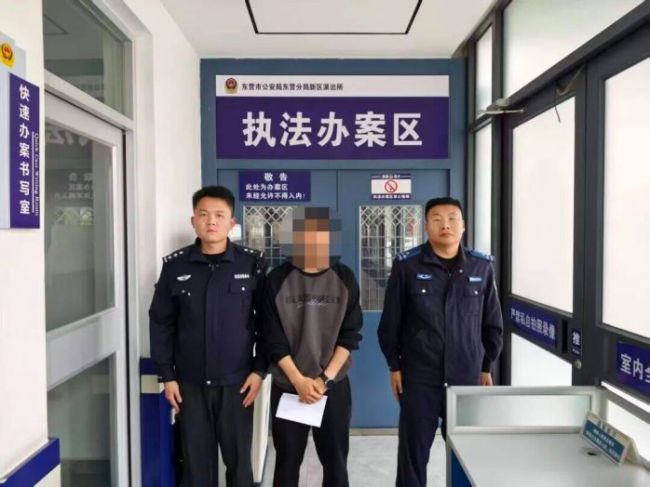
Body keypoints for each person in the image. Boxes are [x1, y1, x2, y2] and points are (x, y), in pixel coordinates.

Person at [377, 196, 503, 487]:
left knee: (467, 454)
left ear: (463, 225)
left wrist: (486, 366)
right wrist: (394, 366)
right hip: (419, 377)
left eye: (451, 219)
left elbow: (492, 323)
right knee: (413, 455)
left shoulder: (481, 267)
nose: (445, 225)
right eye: (436, 219)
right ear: (426, 226)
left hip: (466, 376)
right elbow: (390, 323)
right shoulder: (407, 266)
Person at [149, 185, 267, 487]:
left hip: (237, 384)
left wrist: (259, 371)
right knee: (196, 466)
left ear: (232, 222)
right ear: (193, 221)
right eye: (203, 214)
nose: (211, 221)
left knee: (239, 465)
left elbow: (267, 323)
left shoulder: (251, 264)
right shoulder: (175, 267)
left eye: (219, 215)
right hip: (190, 384)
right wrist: (168, 377)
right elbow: (161, 323)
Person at [263, 207, 362, 487]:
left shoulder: (344, 277)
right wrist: (298, 380)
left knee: (335, 461)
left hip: (332, 386)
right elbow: (272, 338)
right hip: (288, 385)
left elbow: (350, 336)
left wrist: (323, 380)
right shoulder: (276, 279)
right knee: (287, 461)